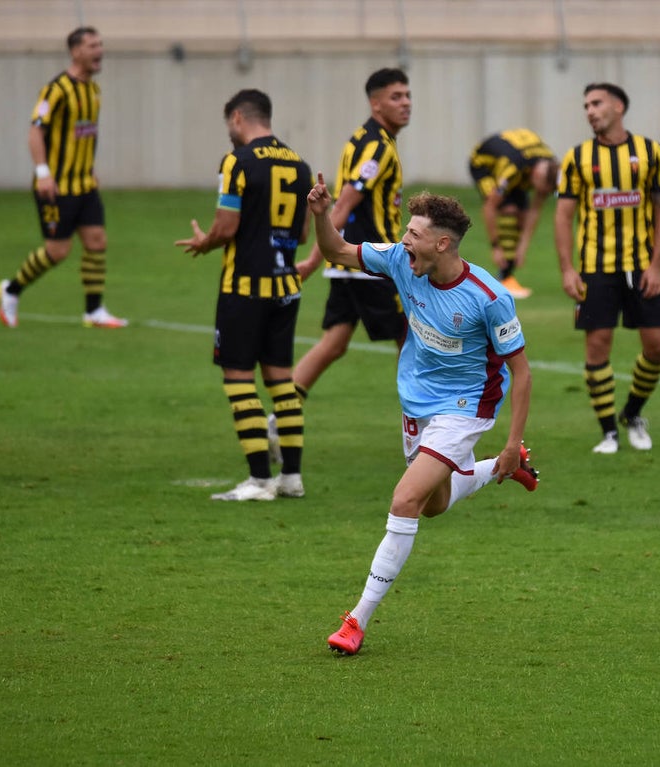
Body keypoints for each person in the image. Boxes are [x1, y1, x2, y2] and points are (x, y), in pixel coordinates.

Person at [304, 175, 538, 655]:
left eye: (413, 233)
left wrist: (512, 438)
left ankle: (355, 621)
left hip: (466, 408)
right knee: (432, 503)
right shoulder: (401, 262)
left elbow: (523, 371)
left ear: (442, 242)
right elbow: (336, 251)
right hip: (416, 404)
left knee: (406, 499)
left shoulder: (489, 297)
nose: (404, 239)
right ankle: (495, 468)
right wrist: (320, 215)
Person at [175, 89, 313, 501]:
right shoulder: (300, 165)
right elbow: (303, 234)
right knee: (281, 382)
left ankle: (259, 481)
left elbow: (227, 225)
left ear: (238, 118)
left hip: (245, 287)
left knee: (238, 377)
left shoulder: (237, 161)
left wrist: (205, 243)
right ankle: (291, 477)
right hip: (286, 287)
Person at [554, 82, 660, 454]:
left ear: (619, 107)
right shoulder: (576, 158)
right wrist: (567, 269)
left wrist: (656, 266)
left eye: (597, 103)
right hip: (595, 268)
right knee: (597, 347)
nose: (590, 110)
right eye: (586, 105)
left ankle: (632, 413)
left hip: (641, 267)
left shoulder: (650, 152)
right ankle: (608, 432)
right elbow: (563, 215)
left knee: (656, 346)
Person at [289, 67, 411, 403]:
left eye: (407, 95)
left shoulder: (361, 138)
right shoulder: (378, 148)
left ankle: (280, 418)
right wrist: (313, 261)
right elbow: (342, 205)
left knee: (335, 342)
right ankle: (426, 437)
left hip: (346, 262)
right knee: (412, 340)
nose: (406, 103)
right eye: (396, 97)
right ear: (376, 104)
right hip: (374, 264)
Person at [0, 26, 127, 330]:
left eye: (101, 45)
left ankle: (93, 311)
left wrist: (90, 168)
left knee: (97, 241)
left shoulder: (93, 90)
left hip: (84, 184)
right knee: (58, 251)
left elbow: (84, 134)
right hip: (56, 187)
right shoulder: (56, 89)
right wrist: (43, 173)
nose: (99, 51)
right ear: (75, 51)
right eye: (93, 46)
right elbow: (35, 131)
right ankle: (11, 290)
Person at [468, 128, 559, 299]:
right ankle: (504, 277)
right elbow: (489, 207)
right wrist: (496, 247)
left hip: (520, 164)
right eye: (541, 189)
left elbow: (535, 209)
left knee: (522, 215)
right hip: (483, 163)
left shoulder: (551, 165)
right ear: (537, 175)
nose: (539, 193)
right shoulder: (512, 169)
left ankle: (507, 276)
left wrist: (522, 246)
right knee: (508, 209)